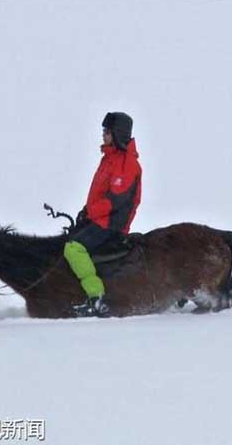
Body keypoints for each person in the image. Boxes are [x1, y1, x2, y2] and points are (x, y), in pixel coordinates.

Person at [65, 112, 142, 317]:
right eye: (103, 131)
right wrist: (85, 212)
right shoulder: (109, 159)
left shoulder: (127, 164)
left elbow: (115, 200)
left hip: (112, 223)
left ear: (117, 133)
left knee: (74, 249)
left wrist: (89, 213)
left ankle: (96, 299)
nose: (103, 135)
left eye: (107, 131)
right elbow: (98, 195)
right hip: (100, 218)